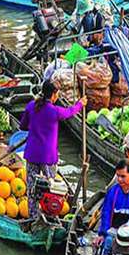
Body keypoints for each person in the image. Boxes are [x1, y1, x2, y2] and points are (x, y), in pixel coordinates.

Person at [19, 80, 84, 217]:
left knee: (31, 188)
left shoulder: (31, 106)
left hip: (32, 153)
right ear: (54, 94)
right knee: (52, 187)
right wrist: (80, 104)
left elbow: (23, 126)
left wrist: (35, 127)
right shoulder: (54, 111)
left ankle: (33, 216)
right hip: (47, 157)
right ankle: (50, 214)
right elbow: (69, 112)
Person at [98, 159, 129, 254]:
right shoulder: (113, 191)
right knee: (108, 242)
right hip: (114, 231)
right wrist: (102, 234)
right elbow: (106, 213)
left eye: (123, 176)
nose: (119, 179)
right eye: (118, 176)